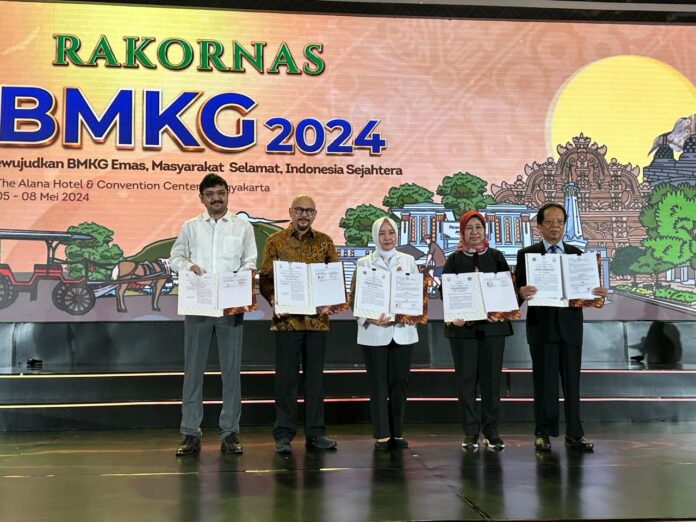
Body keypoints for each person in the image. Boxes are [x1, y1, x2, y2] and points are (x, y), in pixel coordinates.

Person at [169, 173, 258, 457]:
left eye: (220, 193)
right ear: (202, 198)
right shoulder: (190, 227)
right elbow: (175, 258)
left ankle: (230, 432)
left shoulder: (243, 226)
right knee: (193, 370)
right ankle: (190, 432)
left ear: (228, 194)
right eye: (210, 194)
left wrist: (238, 277)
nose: (216, 198)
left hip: (230, 306)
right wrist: (190, 267)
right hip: (199, 305)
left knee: (231, 372)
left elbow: (250, 262)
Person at [514, 202, 607, 452]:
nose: (555, 226)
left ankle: (574, 435)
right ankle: (542, 433)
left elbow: (587, 295)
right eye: (549, 222)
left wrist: (597, 294)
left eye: (560, 222)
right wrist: (520, 292)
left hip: (570, 328)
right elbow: (516, 295)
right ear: (539, 226)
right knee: (544, 384)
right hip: (541, 329)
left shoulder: (578, 255)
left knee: (572, 384)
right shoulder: (527, 255)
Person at [259, 194, 339, 454]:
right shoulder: (275, 241)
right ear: (290, 212)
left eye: (309, 210)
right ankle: (283, 434)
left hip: (317, 323)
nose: (304, 214)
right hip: (287, 322)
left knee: (315, 381)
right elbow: (266, 279)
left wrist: (330, 301)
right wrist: (274, 299)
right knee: (286, 381)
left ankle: (316, 433)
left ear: (315, 215)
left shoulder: (326, 242)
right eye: (299, 210)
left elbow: (333, 278)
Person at [443, 210, 512, 451]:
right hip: (462, 331)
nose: (474, 232)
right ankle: (471, 432)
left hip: (493, 329)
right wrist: (455, 313)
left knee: (492, 382)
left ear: (485, 230)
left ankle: (491, 432)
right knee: (466, 382)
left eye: (478, 227)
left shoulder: (496, 257)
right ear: (462, 232)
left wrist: (500, 310)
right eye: (469, 228)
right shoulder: (454, 260)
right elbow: (446, 292)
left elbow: (507, 289)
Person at [351, 217, 418, 451]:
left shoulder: (409, 261)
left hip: (403, 331)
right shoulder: (363, 263)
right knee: (377, 383)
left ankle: (397, 433)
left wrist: (409, 312)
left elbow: (416, 296)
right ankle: (381, 434)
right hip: (373, 332)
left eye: (391, 232)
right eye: (382, 233)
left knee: (400, 382)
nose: (387, 237)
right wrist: (367, 317)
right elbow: (354, 298)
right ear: (374, 236)